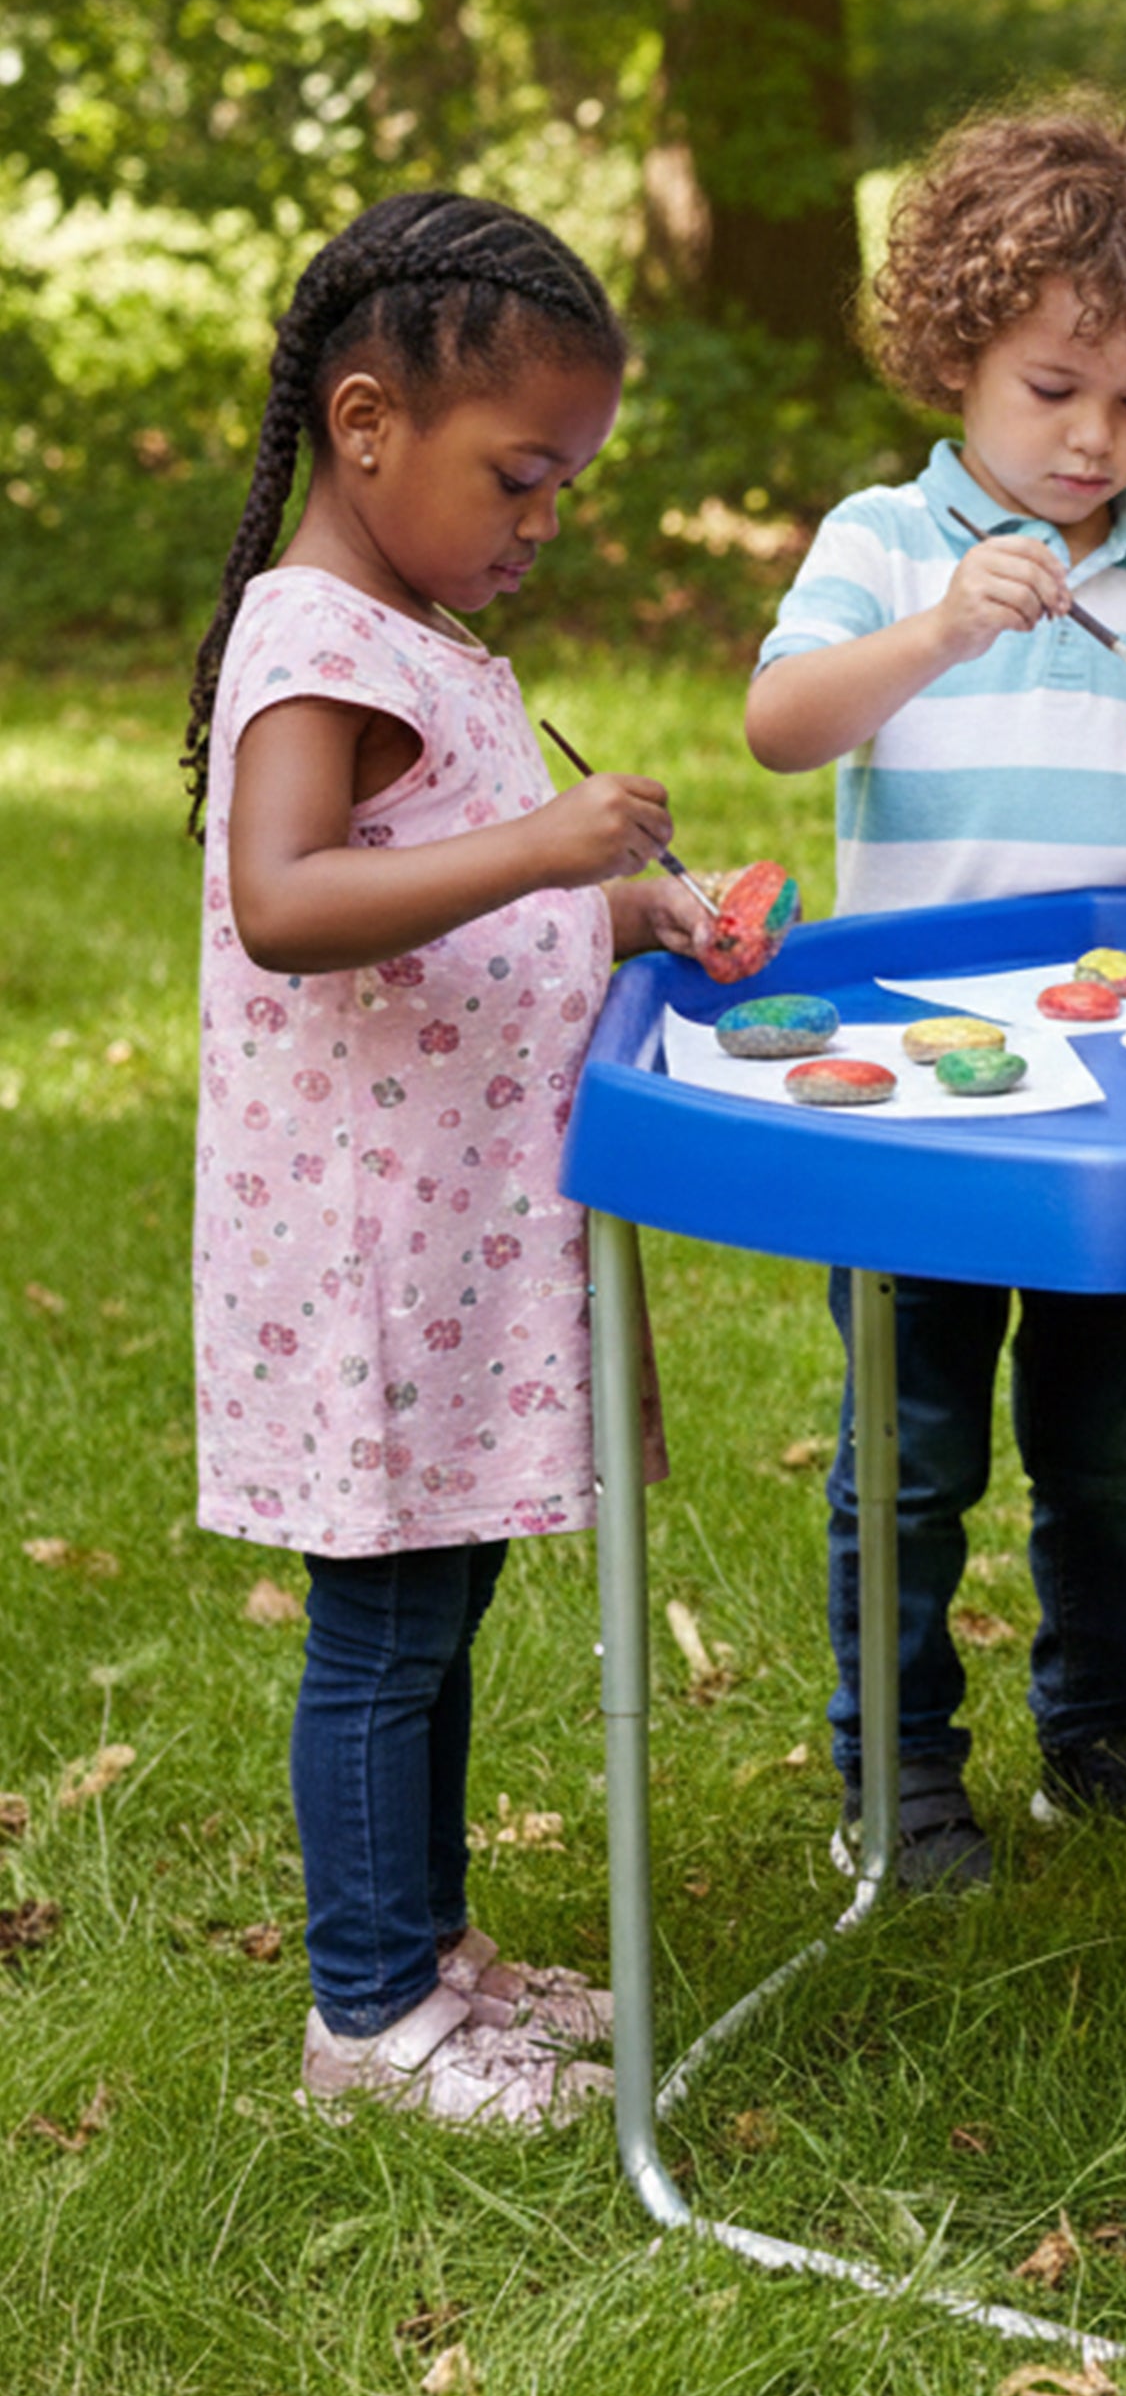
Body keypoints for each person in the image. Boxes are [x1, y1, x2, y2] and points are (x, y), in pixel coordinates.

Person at [746, 97, 1126, 1887]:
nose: (1094, 438)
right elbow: (780, 725)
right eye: (1056, 388)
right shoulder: (886, 548)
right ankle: (894, 1774)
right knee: (907, 1459)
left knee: (1110, 1450)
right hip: (915, 1085)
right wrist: (941, 631)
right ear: (958, 352)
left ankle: (1103, 1731)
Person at [189, 191, 691, 2124]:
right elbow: (289, 898)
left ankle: (438, 1955)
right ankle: (370, 2020)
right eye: (522, 473)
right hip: (363, 1241)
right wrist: (556, 844)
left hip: (458, 1230)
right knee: (387, 1631)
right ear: (368, 419)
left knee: (441, 1599)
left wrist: (634, 917)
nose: (542, 519)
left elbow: (458, 907)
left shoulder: (414, 622)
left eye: (564, 482)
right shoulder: (313, 635)